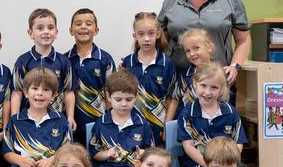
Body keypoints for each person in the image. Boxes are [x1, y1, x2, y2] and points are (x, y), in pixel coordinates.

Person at [158, 0, 251, 89]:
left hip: (218, 82)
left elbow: (243, 40)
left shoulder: (230, 0)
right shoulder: (171, 3)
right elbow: (158, 41)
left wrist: (234, 66)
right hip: (178, 83)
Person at [176, 62, 251, 167]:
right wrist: (209, 165)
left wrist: (229, 163)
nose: (207, 92)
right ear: (195, 83)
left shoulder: (231, 112)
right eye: (203, 85)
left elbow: (238, 142)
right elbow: (188, 146)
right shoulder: (187, 114)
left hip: (227, 163)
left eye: (214, 87)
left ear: (221, 89)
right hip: (198, 162)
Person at [90, 69, 154, 167]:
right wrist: (106, 154)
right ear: (108, 96)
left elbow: (152, 152)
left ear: (136, 97)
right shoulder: (101, 123)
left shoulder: (142, 124)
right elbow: (94, 153)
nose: (123, 104)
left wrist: (144, 155)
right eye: (118, 99)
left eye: (129, 99)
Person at [10, 8, 77, 131]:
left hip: (56, 121)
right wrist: (14, 118)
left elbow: (69, 92)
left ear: (56, 32)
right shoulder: (22, 61)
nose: (46, 32)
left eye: (50, 28)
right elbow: (17, 93)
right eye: (40, 28)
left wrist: (70, 117)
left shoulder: (64, 62)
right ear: (30, 33)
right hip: (28, 121)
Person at [121, 12, 176, 146]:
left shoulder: (167, 64)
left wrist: (166, 127)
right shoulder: (127, 63)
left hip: (158, 126)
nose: (146, 39)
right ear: (135, 36)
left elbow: (171, 98)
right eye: (141, 34)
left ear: (158, 34)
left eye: (151, 34)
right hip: (132, 124)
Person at [65, 8, 116, 144]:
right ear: (71, 30)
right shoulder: (64, 60)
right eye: (78, 23)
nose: (83, 27)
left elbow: (110, 91)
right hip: (71, 123)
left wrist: (110, 120)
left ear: (96, 30)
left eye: (88, 23)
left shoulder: (105, 59)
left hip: (98, 122)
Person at [165, 28, 215, 122]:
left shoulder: (218, 74)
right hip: (185, 127)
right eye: (187, 51)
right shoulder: (183, 77)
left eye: (196, 48)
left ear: (209, 47)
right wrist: (167, 128)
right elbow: (174, 101)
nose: (192, 54)